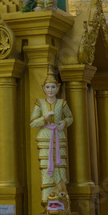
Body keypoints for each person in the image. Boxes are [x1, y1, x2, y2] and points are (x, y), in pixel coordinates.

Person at [30, 68, 73, 201]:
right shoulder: (40, 103)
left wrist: (64, 123)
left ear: (58, 88)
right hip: (45, 139)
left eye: (53, 87)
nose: (50, 89)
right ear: (43, 88)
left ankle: (61, 197)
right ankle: (47, 199)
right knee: (46, 169)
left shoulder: (62, 103)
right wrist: (45, 118)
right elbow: (32, 122)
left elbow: (70, 117)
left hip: (59, 138)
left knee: (60, 167)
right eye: (47, 87)